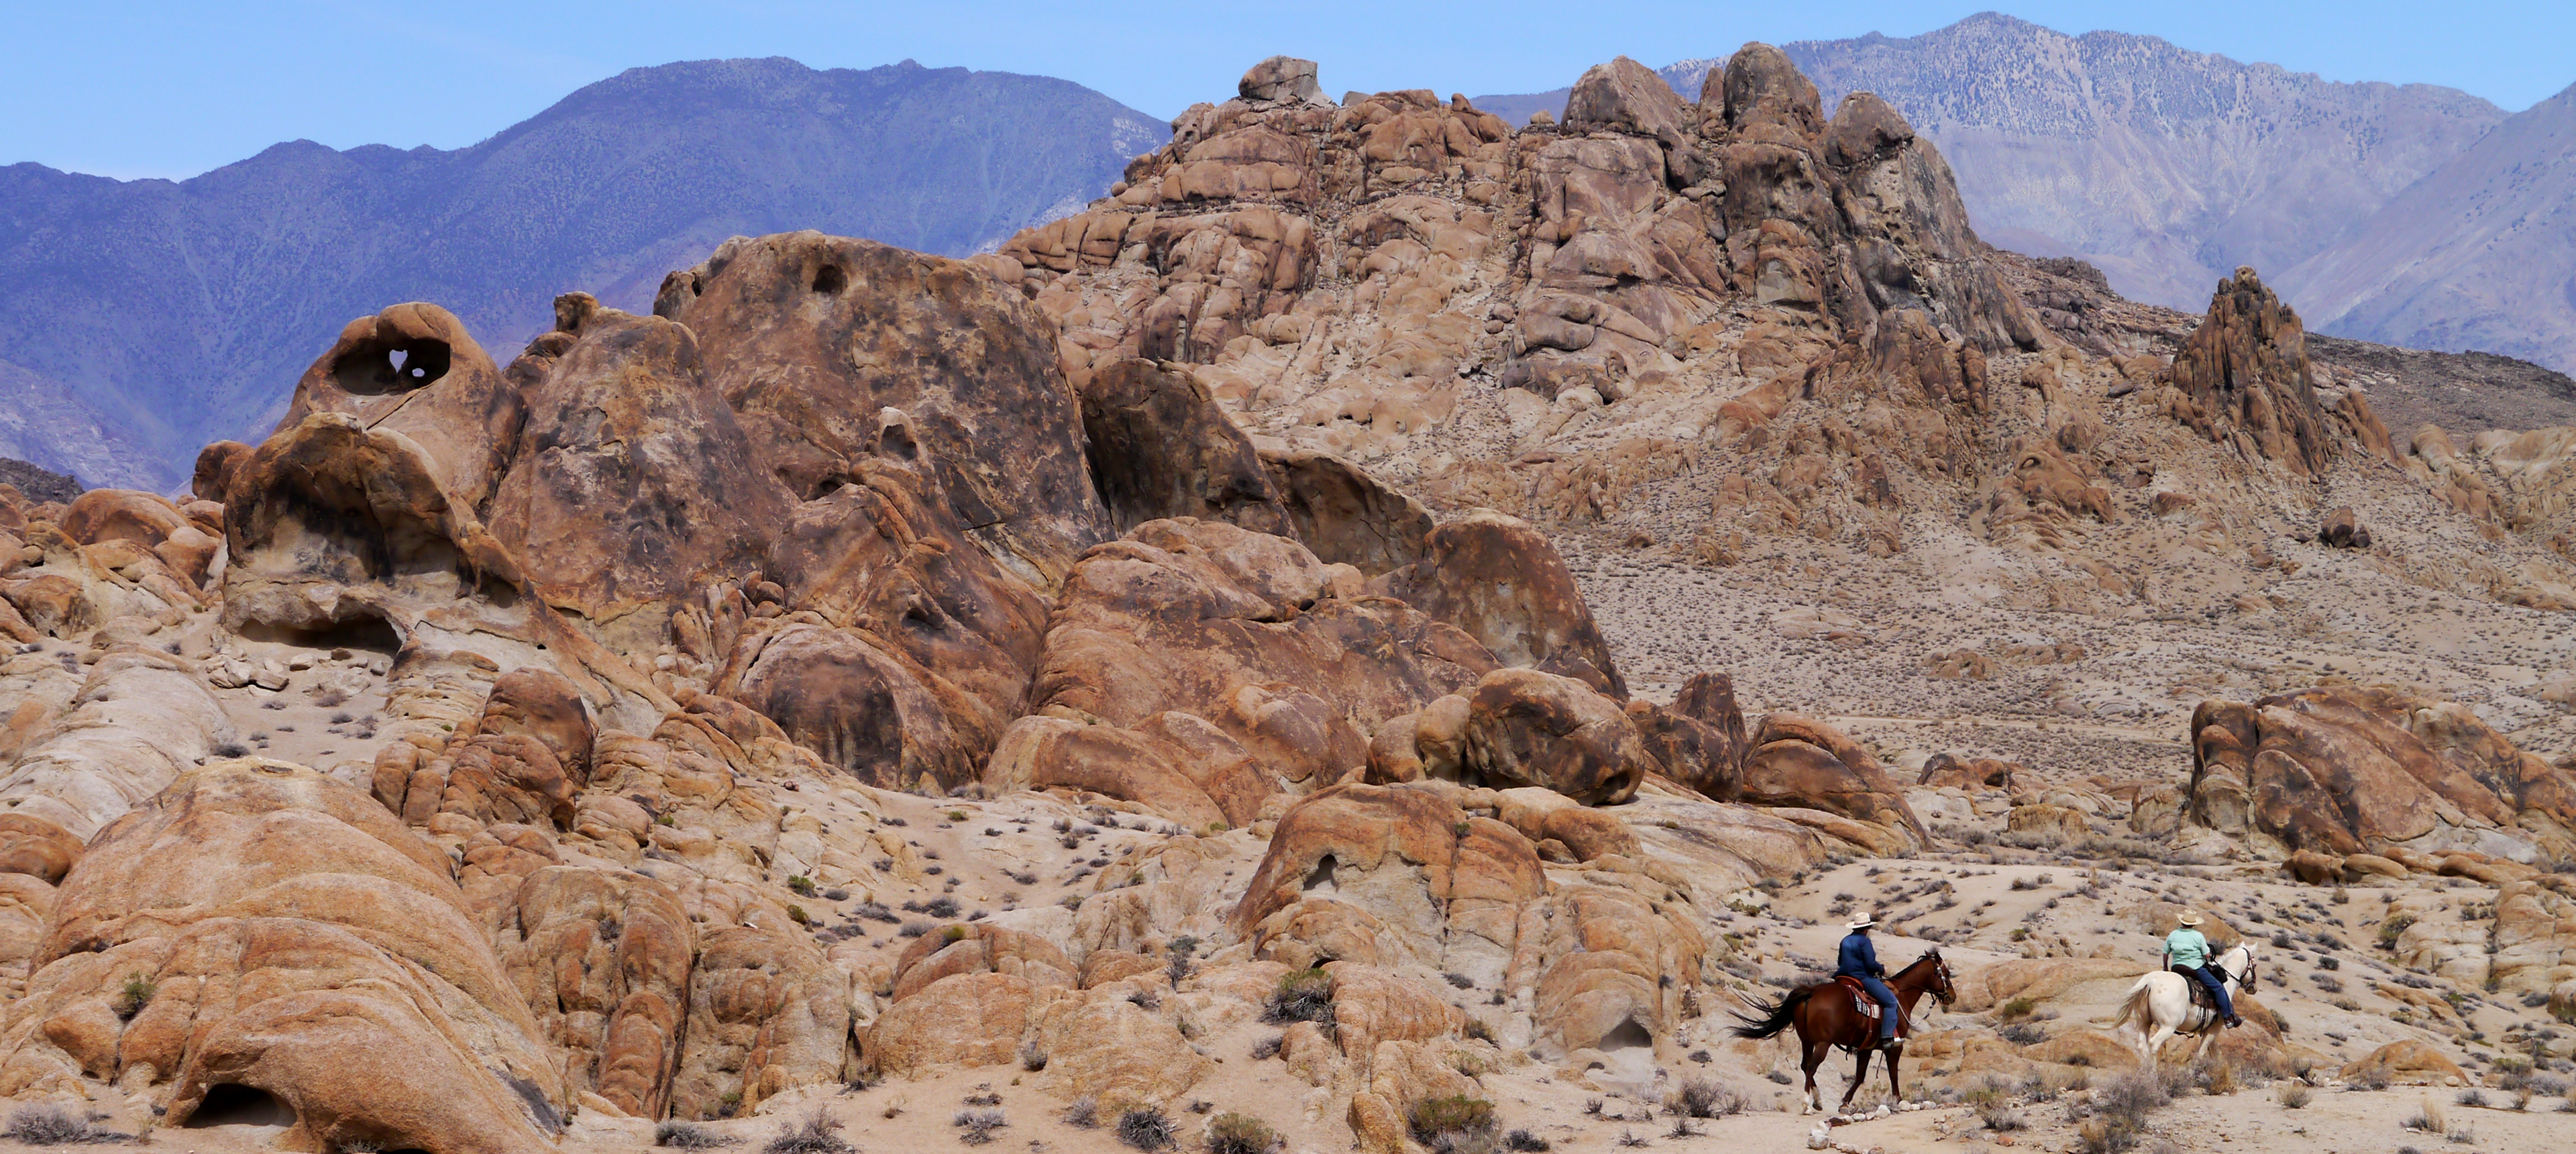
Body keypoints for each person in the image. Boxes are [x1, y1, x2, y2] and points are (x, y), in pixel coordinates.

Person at [2163, 912, 2242, 1028]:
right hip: (2195, 968)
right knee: (2218, 987)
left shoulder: (2173, 934)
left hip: (2177, 967)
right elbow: (2207, 954)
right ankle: (2228, 1017)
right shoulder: (2198, 936)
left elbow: (2165, 952)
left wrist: (2165, 967)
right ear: (2194, 924)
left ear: (2182, 922)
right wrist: (2209, 954)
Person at [1836, 914, 1900, 1048]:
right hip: (1862, 978)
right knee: (1891, 1002)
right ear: (1867, 928)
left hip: (1843, 977)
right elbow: (1870, 964)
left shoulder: (1845, 940)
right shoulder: (1865, 941)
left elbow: (1840, 961)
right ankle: (1887, 1037)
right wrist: (1881, 968)